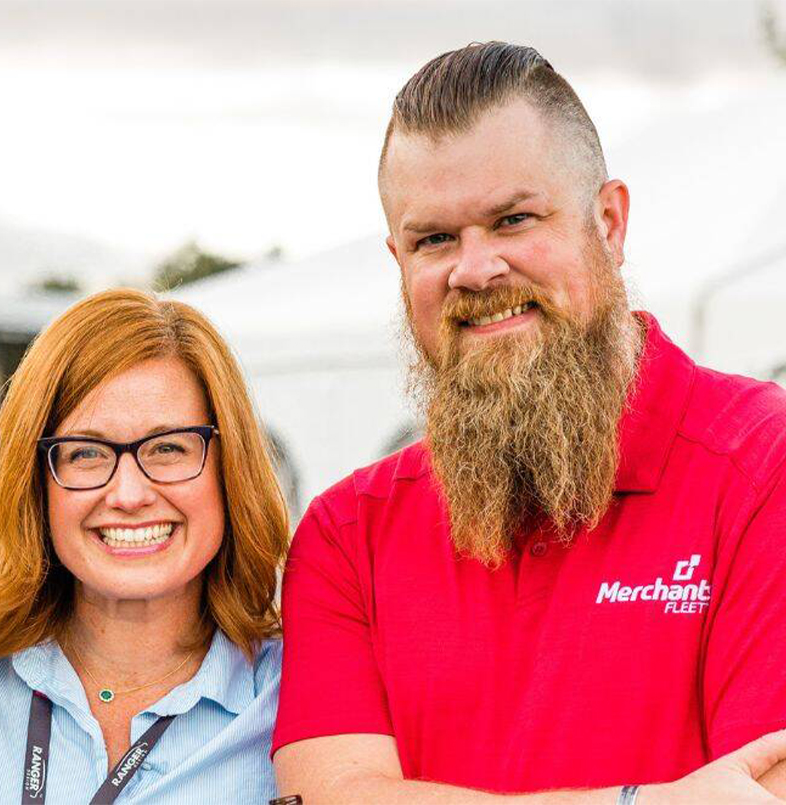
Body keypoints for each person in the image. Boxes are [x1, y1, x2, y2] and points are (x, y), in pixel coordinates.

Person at [272, 42, 786, 803]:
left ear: (608, 223)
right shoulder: (346, 533)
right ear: (397, 259)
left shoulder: (760, 465)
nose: (474, 269)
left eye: (512, 219)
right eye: (434, 239)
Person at [0, 288, 290, 804]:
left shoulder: (296, 687)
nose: (129, 494)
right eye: (86, 454)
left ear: (228, 467)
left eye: (168, 448)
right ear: (36, 482)